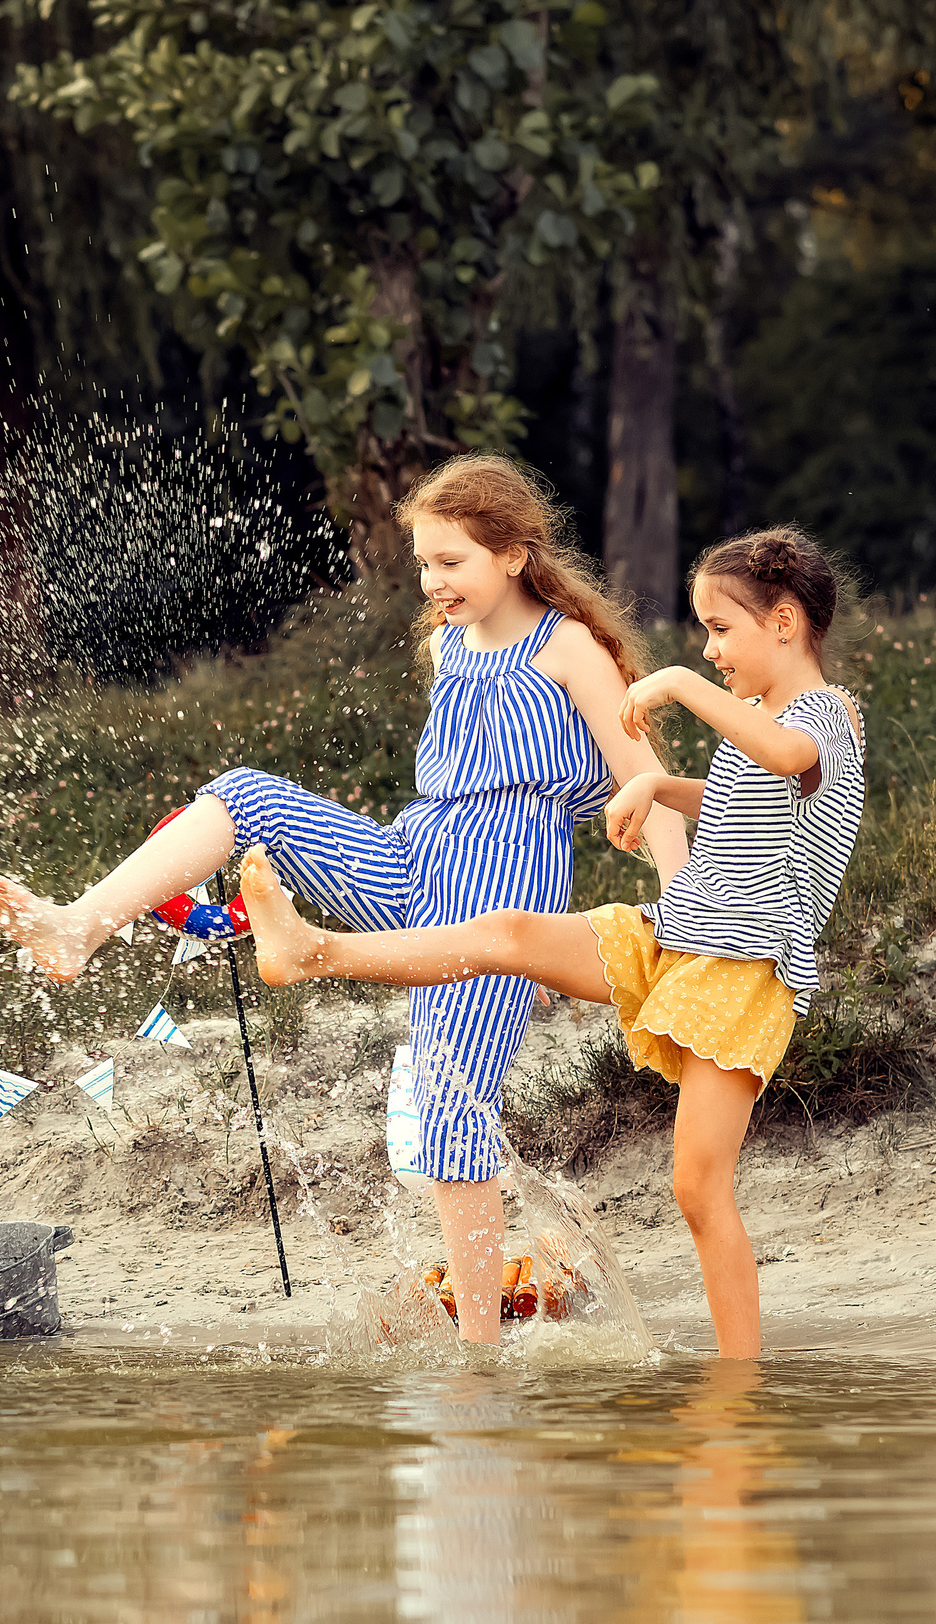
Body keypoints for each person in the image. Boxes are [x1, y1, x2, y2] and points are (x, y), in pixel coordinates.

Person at [0, 454, 689, 1341]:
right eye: (425, 563)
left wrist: (683, 917)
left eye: (452, 562)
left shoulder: (569, 647)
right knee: (246, 794)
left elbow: (648, 786)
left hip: (502, 880)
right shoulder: (451, 644)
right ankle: (79, 926)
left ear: (512, 555)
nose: (433, 581)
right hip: (410, 853)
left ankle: (479, 1349)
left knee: (449, 1104)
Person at [236, 527, 866, 1359]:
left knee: (699, 1189)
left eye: (721, 628)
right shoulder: (758, 716)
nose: (709, 649)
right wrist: (653, 781)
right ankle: (312, 950)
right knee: (506, 935)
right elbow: (740, 792)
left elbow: (788, 757)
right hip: (679, 934)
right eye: (702, 633)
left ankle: (740, 1387)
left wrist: (676, 683)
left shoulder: (821, 713)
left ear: (784, 622)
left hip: (743, 969)